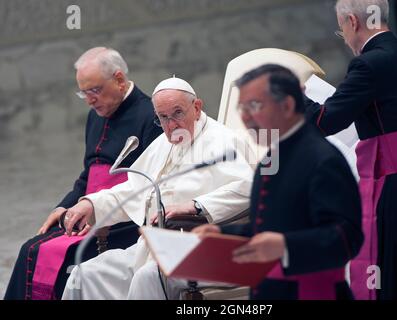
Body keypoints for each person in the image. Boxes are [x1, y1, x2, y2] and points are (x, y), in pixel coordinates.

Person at [305, 0, 397, 299]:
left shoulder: (369, 63)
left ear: (352, 22)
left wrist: (293, 95)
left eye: (340, 29)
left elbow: (325, 121)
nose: (343, 37)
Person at [61, 77, 254, 300]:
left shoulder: (223, 141)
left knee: (147, 278)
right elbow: (134, 190)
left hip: (199, 248)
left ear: (197, 107)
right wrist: (91, 204)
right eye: (163, 118)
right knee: (85, 274)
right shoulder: (163, 142)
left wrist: (197, 206)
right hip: (151, 250)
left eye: (178, 113)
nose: (171, 125)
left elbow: (249, 188)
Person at [4, 47, 162, 300]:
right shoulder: (95, 115)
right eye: (83, 92)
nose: (89, 100)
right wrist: (64, 206)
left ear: (119, 80)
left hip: (122, 219)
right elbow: (89, 174)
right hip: (85, 211)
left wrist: (98, 208)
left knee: (61, 255)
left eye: (95, 90)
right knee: (30, 249)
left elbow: (148, 185)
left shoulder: (151, 116)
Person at [194, 64, 363, 300]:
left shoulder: (323, 159)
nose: (245, 117)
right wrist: (222, 233)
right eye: (242, 108)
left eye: (254, 106)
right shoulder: (271, 159)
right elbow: (268, 228)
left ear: (287, 105)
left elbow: (347, 239)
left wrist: (286, 246)